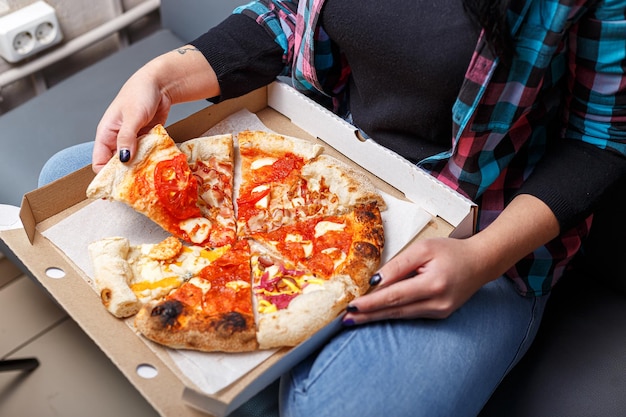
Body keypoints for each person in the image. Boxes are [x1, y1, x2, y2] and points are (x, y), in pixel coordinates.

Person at [39, 0, 626, 416]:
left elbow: (600, 141)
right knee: (64, 178)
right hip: (312, 175)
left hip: (479, 234)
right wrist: (162, 77)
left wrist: (480, 258)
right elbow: (286, 16)